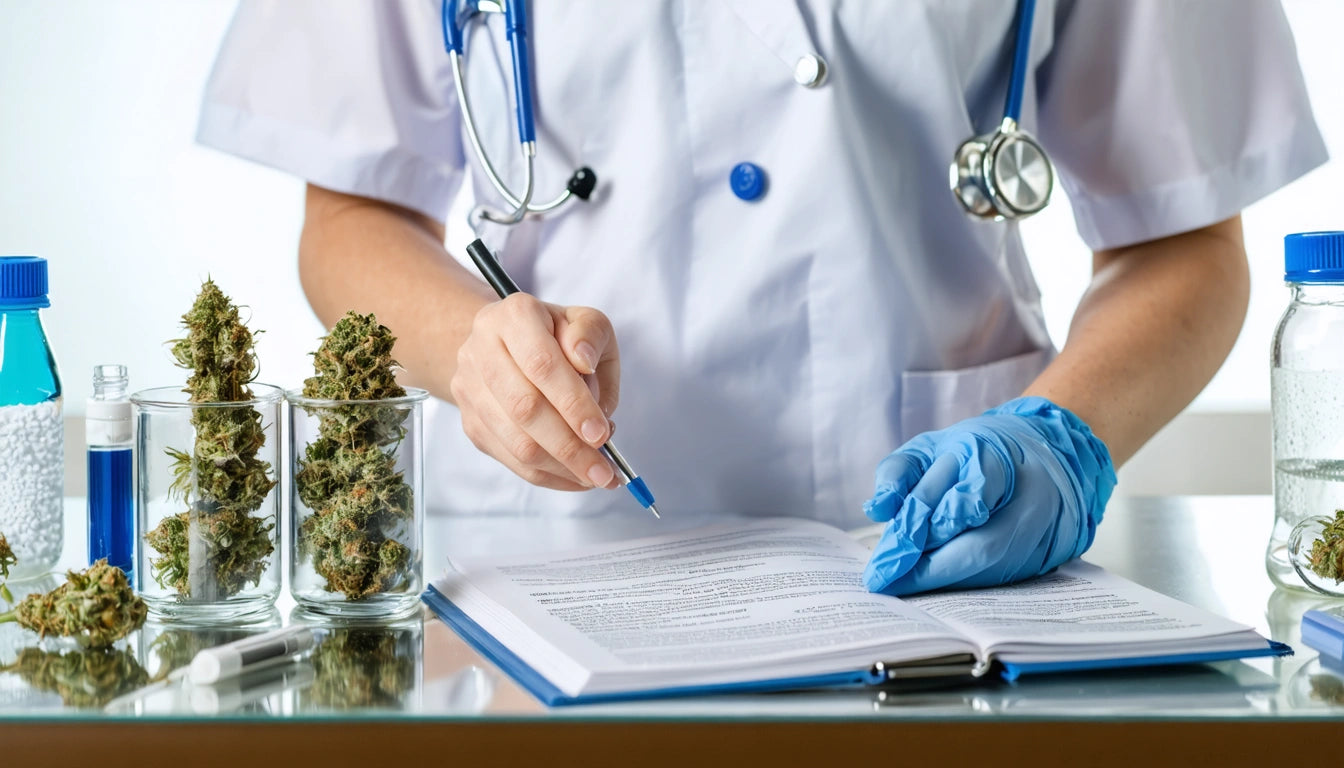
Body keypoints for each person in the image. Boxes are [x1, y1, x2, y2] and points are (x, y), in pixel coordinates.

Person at [197, 0, 1325, 594]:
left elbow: (1185, 236)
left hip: (950, 562)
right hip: (542, 555)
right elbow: (351, 218)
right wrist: (472, 352)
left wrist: (1059, 435)